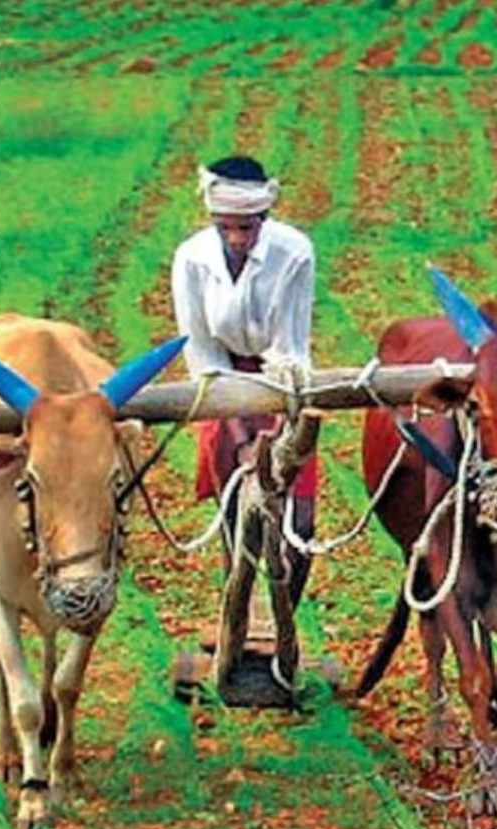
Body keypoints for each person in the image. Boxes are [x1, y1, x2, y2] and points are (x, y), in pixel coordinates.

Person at [171, 155, 317, 610]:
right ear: (214, 221)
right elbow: (201, 353)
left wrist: (276, 438)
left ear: (264, 218)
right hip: (219, 383)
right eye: (226, 228)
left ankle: (283, 617)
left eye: (247, 228)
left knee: (301, 519)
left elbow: (289, 349)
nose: (236, 239)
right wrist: (240, 440)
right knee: (237, 506)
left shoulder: (294, 252)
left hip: (282, 381)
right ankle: (237, 608)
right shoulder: (192, 259)